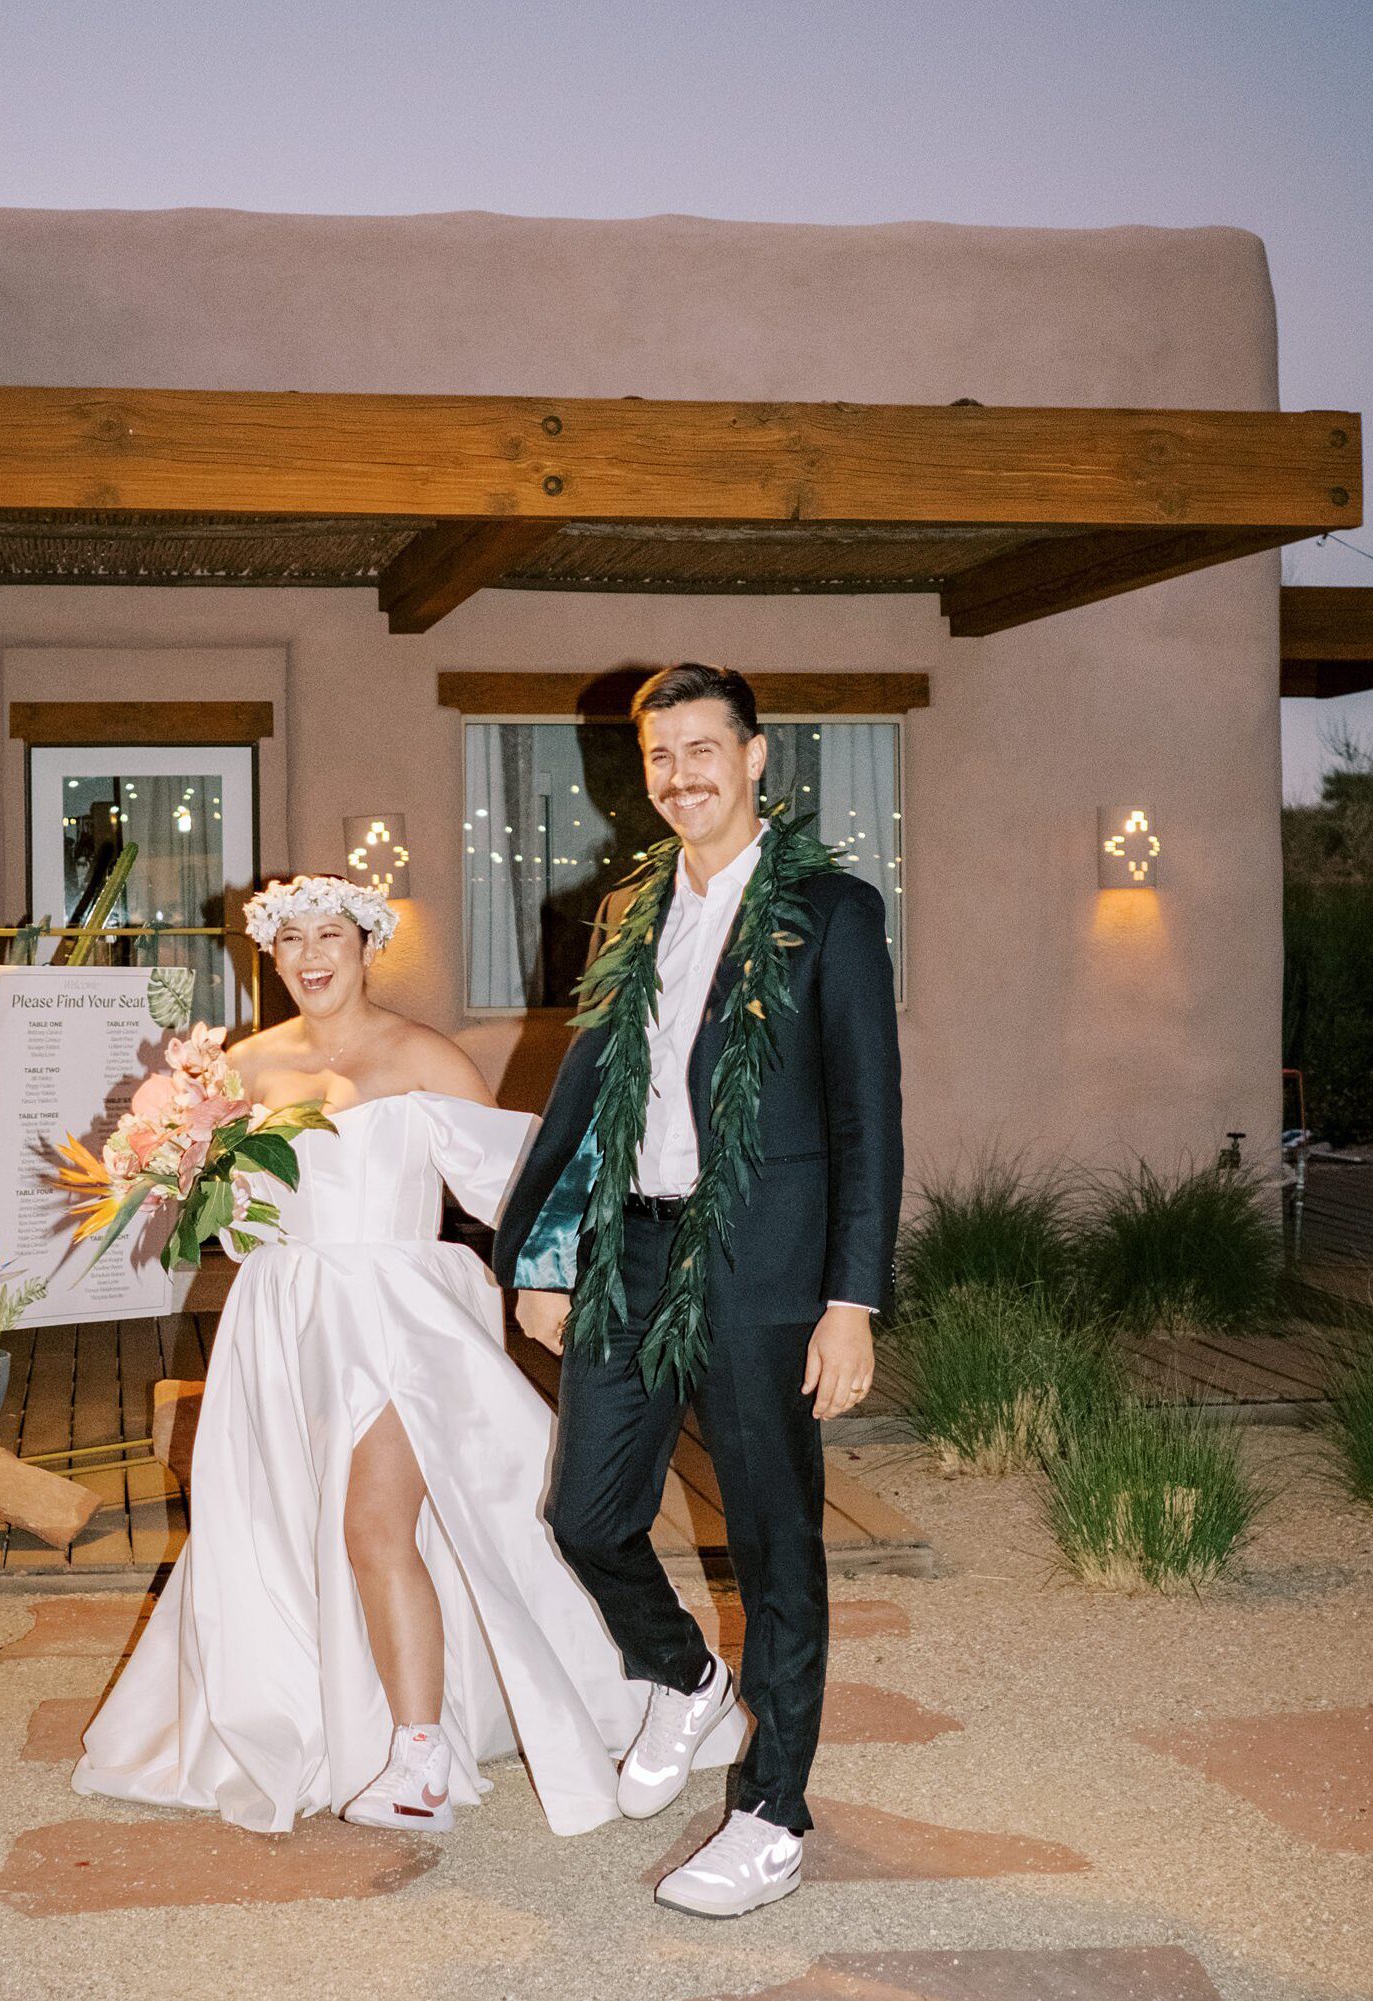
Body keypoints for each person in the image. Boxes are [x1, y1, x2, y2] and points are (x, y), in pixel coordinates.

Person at [72, 874, 725, 1835]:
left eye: (329, 934)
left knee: (375, 1527)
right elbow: (232, 1209)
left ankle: (421, 1760)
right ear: (273, 955)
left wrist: (565, 1277)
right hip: (285, 1323)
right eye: (292, 939)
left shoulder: (424, 1055)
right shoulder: (241, 1068)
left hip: (402, 1320)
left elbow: (523, 1184)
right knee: (287, 1526)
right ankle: (336, 1714)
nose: (311, 955)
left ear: (367, 945)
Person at [493, 662, 903, 1919]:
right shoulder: (629, 908)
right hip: (631, 1247)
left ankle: (772, 1813)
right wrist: (551, 1254)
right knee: (585, 1515)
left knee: (773, 1541)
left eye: (701, 749)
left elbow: (867, 1114)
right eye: (659, 756)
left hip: (764, 1262)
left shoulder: (828, 910)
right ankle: (684, 1679)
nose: (680, 776)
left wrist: (850, 1300)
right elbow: (588, 1094)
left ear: (755, 755)